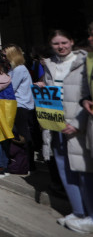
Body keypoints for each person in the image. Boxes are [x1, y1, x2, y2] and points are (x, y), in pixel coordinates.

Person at [39, 30, 93, 232]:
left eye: (64, 42)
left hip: (79, 125)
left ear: (72, 42)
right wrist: (43, 86)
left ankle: (90, 214)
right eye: (56, 43)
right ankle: (78, 212)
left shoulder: (84, 62)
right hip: (57, 124)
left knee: (84, 170)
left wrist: (78, 123)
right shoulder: (49, 64)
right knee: (65, 170)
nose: (60, 46)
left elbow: (88, 95)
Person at [3, 44, 36, 173]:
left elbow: (11, 88)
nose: (3, 57)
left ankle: (29, 165)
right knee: (20, 136)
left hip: (22, 106)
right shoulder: (13, 69)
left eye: (5, 54)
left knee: (24, 137)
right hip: (17, 105)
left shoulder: (19, 69)